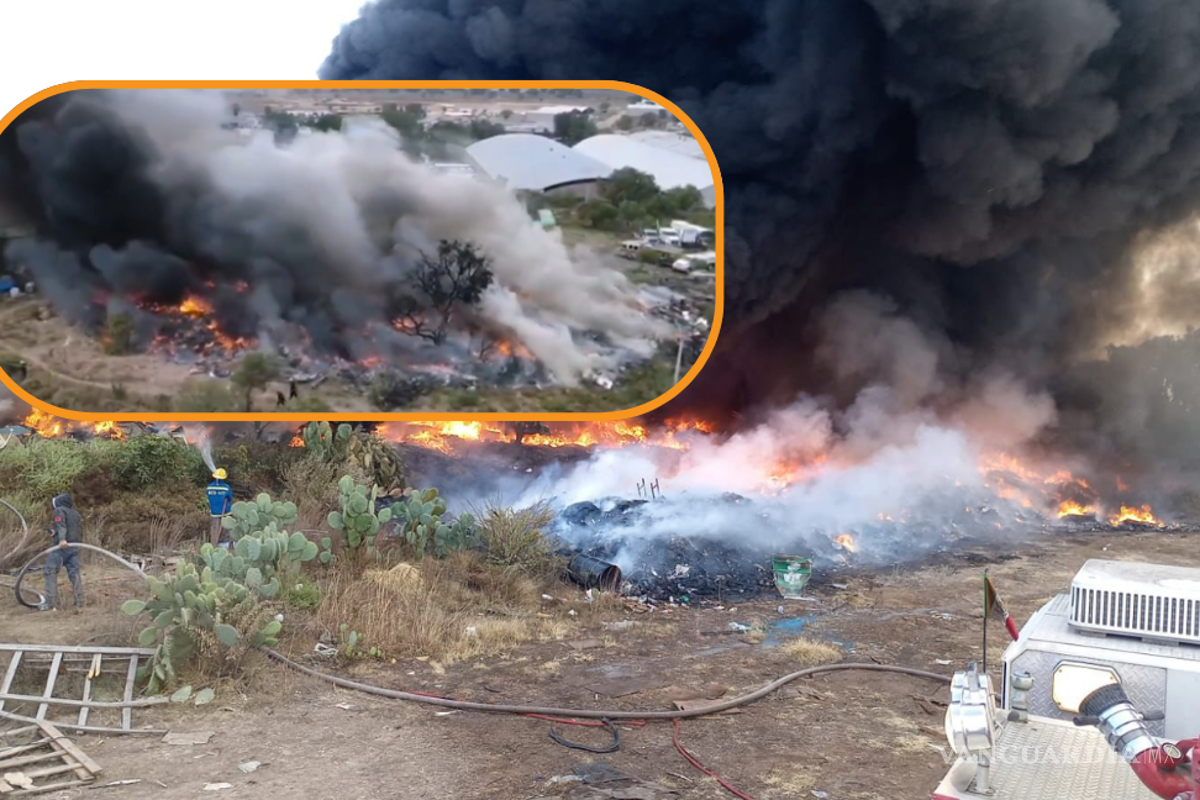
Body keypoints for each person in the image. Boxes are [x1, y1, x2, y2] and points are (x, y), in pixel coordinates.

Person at [42, 493, 83, 612]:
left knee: (50, 570)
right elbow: (68, 527)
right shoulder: (75, 513)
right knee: (74, 573)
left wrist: (62, 539)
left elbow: (61, 526)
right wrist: (53, 532)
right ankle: (79, 601)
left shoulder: (59, 510)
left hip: (61, 549)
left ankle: (52, 603)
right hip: (74, 548)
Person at [207, 469, 233, 546]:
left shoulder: (209, 487)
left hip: (214, 513)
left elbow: (208, 494)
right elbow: (230, 497)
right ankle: (227, 546)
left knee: (215, 530)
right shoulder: (226, 487)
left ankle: (214, 544)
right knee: (226, 531)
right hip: (226, 512)